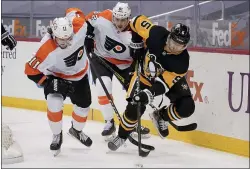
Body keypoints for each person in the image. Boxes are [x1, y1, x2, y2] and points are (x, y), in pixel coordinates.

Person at [108, 15, 195, 151]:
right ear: (169, 37)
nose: (175, 48)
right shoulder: (156, 34)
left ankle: (161, 116)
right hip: (143, 75)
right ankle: (122, 136)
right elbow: (136, 20)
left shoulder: (182, 63)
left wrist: (148, 93)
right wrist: (136, 42)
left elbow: (163, 84)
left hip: (163, 80)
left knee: (187, 106)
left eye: (180, 46)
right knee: (135, 108)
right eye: (173, 43)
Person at [24, 8, 92, 155]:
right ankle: (56, 135)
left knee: (84, 107)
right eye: (61, 39)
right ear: (54, 35)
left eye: (68, 37)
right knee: (54, 105)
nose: (66, 42)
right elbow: (30, 70)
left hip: (80, 76)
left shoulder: (80, 26)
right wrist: (47, 82)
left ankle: (76, 130)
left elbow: (74, 11)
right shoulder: (45, 48)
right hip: (57, 77)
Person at [84, 2, 150, 141]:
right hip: (102, 58)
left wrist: (141, 52)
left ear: (128, 18)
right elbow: (88, 19)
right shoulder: (103, 17)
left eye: (123, 19)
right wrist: (89, 35)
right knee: (104, 87)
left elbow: (148, 45)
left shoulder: (135, 31)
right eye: (117, 19)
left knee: (135, 95)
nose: (119, 23)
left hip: (126, 65)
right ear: (113, 15)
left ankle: (131, 123)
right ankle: (109, 122)